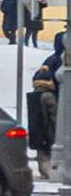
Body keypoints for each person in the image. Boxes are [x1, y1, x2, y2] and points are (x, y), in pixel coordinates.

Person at [29, 32, 64, 179]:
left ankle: (49, 168)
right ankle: (50, 168)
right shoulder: (57, 61)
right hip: (55, 105)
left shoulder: (51, 61)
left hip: (53, 106)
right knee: (51, 135)